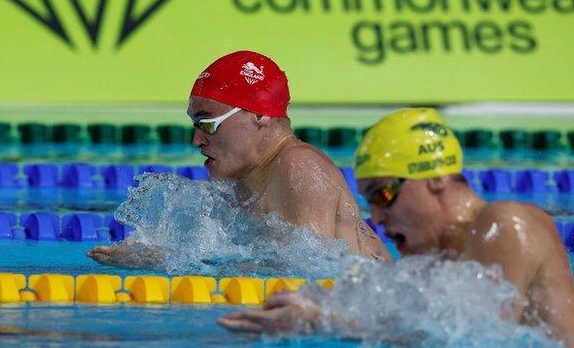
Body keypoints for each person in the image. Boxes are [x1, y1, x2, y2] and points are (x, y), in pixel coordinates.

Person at [218, 108, 574, 346]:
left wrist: (326, 318)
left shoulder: (506, 223)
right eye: (370, 201)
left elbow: (476, 336)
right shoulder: (442, 254)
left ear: (436, 179)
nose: (378, 216)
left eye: (384, 194)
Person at [87, 50, 390, 266]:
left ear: (259, 114)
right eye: (194, 125)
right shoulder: (243, 180)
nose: (197, 140)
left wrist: (174, 261)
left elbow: (309, 270)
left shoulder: (298, 165)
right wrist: (158, 251)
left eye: (207, 123)